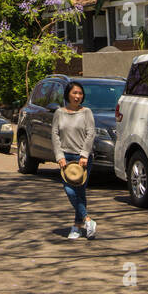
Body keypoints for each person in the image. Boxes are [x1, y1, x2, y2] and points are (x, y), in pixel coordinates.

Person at [52, 81, 97, 239]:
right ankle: (86, 220)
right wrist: (59, 156)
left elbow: (91, 134)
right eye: (74, 93)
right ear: (68, 94)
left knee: (79, 191)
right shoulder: (59, 113)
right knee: (69, 190)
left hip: (81, 159)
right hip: (66, 158)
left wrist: (84, 154)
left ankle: (77, 227)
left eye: (80, 93)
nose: (78, 96)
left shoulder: (86, 113)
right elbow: (55, 135)